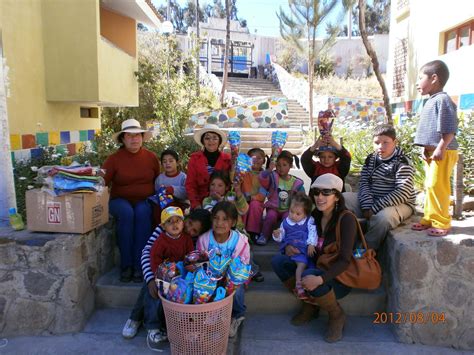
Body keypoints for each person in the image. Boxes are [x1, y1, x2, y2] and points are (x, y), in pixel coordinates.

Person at [272, 174, 357, 342]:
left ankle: (336, 314)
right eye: (316, 192)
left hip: (338, 278)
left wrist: (320, 279)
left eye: (326, 192)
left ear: (337, 196)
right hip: (313, 268)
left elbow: (345, 260)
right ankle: (310, 305)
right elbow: (295, 235)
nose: (320, 197)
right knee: (278, 262)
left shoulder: (346, 219)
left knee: (307, 274)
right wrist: (287, 247)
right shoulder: (315, 217)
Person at [122, 208, 212, 340]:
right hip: (160, 270)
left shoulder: (190, 238)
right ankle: (138, 319)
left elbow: (190, 257)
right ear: (186, 217)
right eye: (189, 223)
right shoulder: (166, 226)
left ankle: (165, 325)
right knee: (151, 288)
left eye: (195, 231)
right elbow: (148, 253)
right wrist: (151, 278)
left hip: (178, 276)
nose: (189, 229)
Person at [103, 118, 160, 283]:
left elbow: (159, 181)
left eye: (138, 135)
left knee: (142, 213)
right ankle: (126, 266)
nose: (134, 139)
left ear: (142, 138)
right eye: (130, 136)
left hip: (145, 200)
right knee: (127, 214)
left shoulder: (151, 158)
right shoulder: (114, 159)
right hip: (120, 200)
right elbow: (102, 182)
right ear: (123, 139)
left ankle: (139, 266)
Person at [343, 124, 416, 250]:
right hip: (373, 200)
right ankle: (341, 242)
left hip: (399, 203)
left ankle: (364, 251)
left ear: (395, 142)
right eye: (377, 142)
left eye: (385, 142)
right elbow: (364, 182)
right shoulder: (371, 159)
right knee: (341, 199)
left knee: (383, 219)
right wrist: (366, 205)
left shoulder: (402, 162)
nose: (380, 146)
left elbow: (402, 192)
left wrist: (375, 208)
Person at [412, 60, 458, 237]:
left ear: (434, 78)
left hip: (444, 151)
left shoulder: (443, 99)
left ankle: (442, 221)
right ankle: (430, 217)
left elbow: (450, 128)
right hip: (433, 151)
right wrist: (426, 147)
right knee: (429, 185)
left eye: (420, 77)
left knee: (438, 186)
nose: (417, 83)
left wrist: (441, 147)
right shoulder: (432, 100)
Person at [197, 201, 250, 338]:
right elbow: (200, 262)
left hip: (232, 278)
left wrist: (230, 277)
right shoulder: (204, 240)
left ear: (233, 222)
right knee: (202, 287)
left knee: (236, 289)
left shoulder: (240, 242)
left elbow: (242, 265)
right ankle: (206, 315)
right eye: (216, 218)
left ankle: (237, 316)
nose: (219, 223)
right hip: (210, 276)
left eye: (225, 219)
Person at [144, 206, 194, 345]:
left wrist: (190, 272)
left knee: (184, 297)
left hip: (181, 276)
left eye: (178, 220)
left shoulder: (186, 239)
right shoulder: (161, 241)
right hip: (164, 276)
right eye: (170, 221)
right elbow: (154, 259)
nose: (174, 224)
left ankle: (173, 327)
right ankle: (152, 326)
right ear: (163, 226)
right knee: (155, 297)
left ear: (183, 223)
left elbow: (190, 257)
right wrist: (157, 278)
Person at [272, 192, 317, 299]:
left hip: (303, 248)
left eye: (298, 214)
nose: (293, 215)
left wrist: (311, 244)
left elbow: (312, 232)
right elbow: (282, 236)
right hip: (292, 246)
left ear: (305, 214)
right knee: (301, 264)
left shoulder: (309, 221)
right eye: (291, 212)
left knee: (309, 266)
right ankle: (298, 285)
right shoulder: (286, 222)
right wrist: (277, 235)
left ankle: (307, 286)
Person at [256, 150, 305, 245]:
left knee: (288, 219)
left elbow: (302, 197)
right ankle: (265, 235)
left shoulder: (296, 183)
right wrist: (269, 169)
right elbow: (261, 178)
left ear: (290, 166)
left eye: (284, 165)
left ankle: (288, 238)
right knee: (270, 216)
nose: (281, 168)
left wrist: (296, 196)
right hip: (274, 208)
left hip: (288, 209)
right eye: (278, 165)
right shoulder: (273, 177)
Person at [186, 124, 231, 209]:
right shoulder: (194, 159)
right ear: (203, 141)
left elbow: (231, 183)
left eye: (215, 138)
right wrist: (196, 205)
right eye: (207, 138)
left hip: (222, 202)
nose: (211, 141)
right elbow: (190, 185)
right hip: (199, 201)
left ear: (219, 141)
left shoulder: (228, 159)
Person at [152, 149, 188, 225]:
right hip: (162, 206)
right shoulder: (159, 178)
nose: (168, 163)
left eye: (171, 161)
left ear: (177, 163)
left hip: (180, 205)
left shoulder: (183, 177)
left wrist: (173, 190)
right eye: (164, 162)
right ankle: (160, 229)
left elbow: (186, 193)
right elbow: (156, 192)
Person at [242, 148, 268, 242]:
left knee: (254, 205)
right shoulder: (244, 172)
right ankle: (241, 230)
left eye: (259, 158)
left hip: (257, 201)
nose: (256, 160)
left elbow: (263, 192)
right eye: (253, 157)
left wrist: (253, 197)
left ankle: (253, 232)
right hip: (243, 199)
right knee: (242, 205)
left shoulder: (265, 175)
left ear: (264, 160)